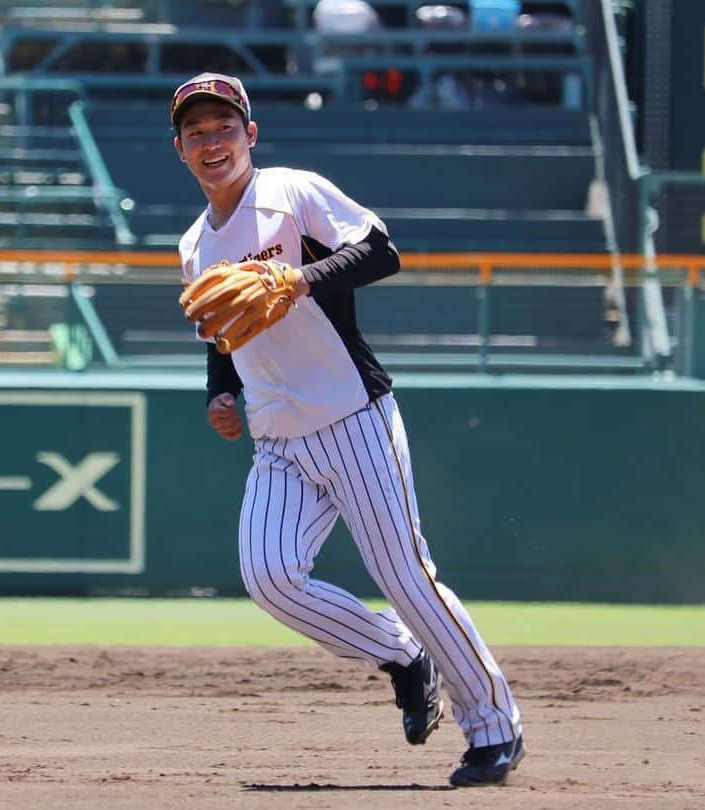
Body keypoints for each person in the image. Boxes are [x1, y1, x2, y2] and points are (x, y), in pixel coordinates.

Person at [171, 72, 524, 787]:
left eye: (225, 127)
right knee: (269, 577)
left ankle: (494, 727)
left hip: (353, 418)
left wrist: (299, 279)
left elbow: (383, 251)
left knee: (405, 576)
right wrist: (220, 393)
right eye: (197, 132)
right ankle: (402, 656)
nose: (214, 142)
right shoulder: (194, 246)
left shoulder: (292, 193)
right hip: (278, 438)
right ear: (179, 148)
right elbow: (221, 334)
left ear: (251, 135)